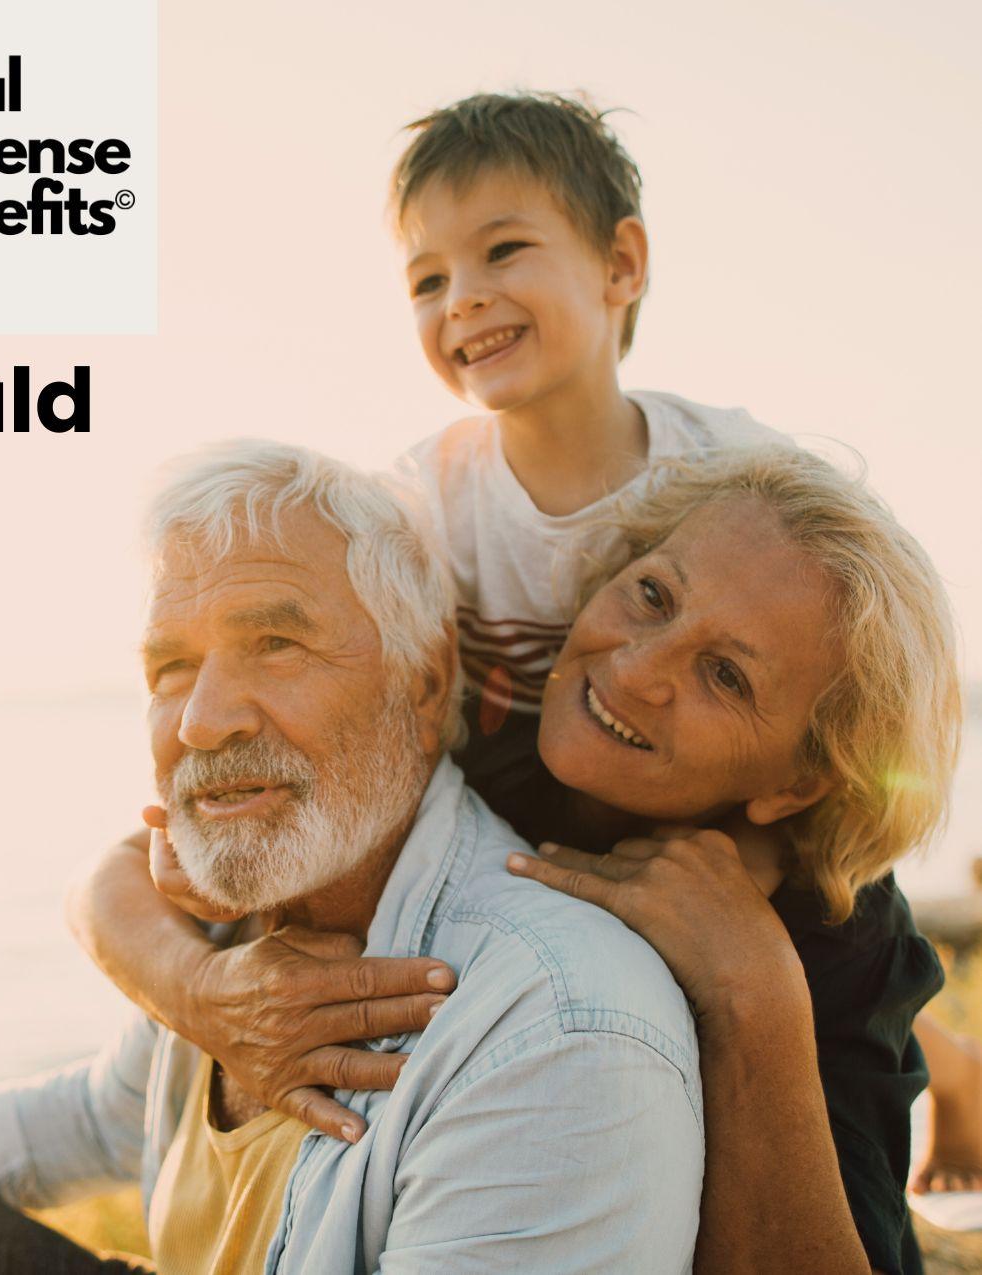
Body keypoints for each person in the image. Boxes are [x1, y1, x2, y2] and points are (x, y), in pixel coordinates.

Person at [74, 92, 962, 1273]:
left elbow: (865, 660)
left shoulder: (744, 476)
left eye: (502, 253)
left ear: (622, 266)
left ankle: (941, 1058)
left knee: (861, 987)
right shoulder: (424, 501)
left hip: (765, 852)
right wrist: (200, 985)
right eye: (427, 280)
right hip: (529, 791)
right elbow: (126, 876)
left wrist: (756, 964)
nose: (465, 299)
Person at [0, 442, 707, 1275]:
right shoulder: (239, 924)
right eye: (171, 666)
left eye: (275, 643)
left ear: (422, 677)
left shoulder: (554, 1026)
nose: (202, 720)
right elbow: (101, 1115)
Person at [76, 445, 961, 1275]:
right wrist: (199, 990)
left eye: (725, 676)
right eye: (652, 595)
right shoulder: (499, 746)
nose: (637, 668)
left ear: (795, 786)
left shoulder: (840, 941)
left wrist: (752, 993)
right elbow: (108, 879)